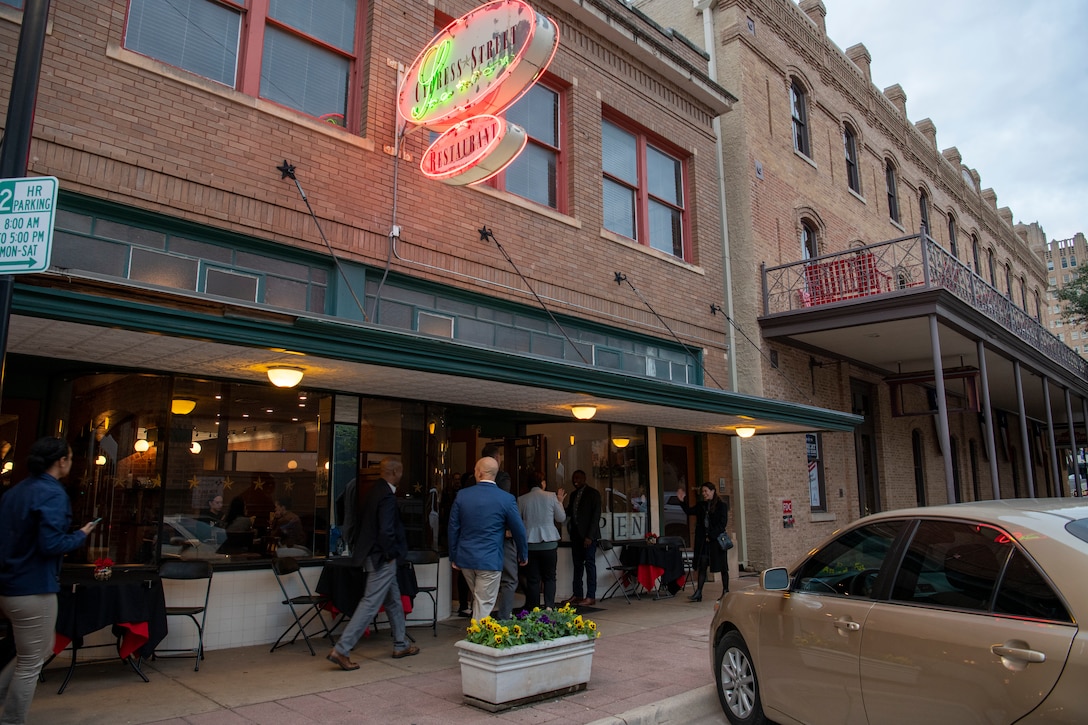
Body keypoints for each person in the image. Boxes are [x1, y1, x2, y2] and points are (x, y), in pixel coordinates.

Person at [0, 436, 97, 724]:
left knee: (38, 650)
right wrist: (80, 534)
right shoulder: (52, 494)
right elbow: (51, 544)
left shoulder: (15, 492)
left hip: (10, 585)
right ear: (61, 461)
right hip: (34, 586)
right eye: (69, 457)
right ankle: (12, 720)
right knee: (32, 660)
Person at [326, 457, 418, 670]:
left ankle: (401, 643)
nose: (402, 476)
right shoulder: (386, 496)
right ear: (394, 472)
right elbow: (386, 530)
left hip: (373, 554)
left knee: (393, 599)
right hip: (382, 557)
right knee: (370, 603)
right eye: (401, 472)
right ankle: (341, 649)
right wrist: (391, 554)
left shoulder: (373, 492)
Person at [448, 457, 527, 621]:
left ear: (479, 472)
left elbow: (453, 528)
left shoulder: (462, 495)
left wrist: (454, 555)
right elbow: (519, 530)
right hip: (490, 559)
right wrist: (523, 553)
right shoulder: (506, 498)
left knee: (479, 599)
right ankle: (477, 641)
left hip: (466, 559)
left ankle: (475, 639)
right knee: (483, 602)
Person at [517, 471, 566, 609]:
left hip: (530, 544)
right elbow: (561, 518)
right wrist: (560, 502)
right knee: (550, 577)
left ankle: (534, 608)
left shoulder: (522, 499)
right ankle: (549, 606)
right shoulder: (551, 497)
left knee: (533, 579)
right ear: (542, 483)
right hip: (549, 543)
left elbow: (518, 522)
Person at [481, 443, 517, 618]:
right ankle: (504, 617)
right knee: (508, 578)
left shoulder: (468, 483)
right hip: (500, 535)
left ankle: (480, 618)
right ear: (496, 459)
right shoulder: (503, 479)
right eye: (500, 456)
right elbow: (504, 505)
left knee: (481, 579)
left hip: (477, 535)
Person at [676, 481, 729, 602]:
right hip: (704, 542)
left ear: (712, 491)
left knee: (723, 567)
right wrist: (681, 500)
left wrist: (711, 535)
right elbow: (689, 511)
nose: (704, 494)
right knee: (702, 565)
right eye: (703, 491)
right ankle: (699, 592)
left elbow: (722, 524)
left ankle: (726, 591)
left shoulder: (722, 506)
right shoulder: (701, 506)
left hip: (716, 542)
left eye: (706, 491)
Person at [563, 469, 601, 606]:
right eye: (574, 478)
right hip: (576, 537)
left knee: (589, 565)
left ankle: (591, 596)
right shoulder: (573, 495)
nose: (575, 481)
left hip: (588, 537)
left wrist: (589, 536)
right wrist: (559, 503)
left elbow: (595, 517)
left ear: (584, 478)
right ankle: (577, 594)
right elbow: (569, 513)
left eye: (578, 478)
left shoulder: (593, 494)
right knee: (577, 566)